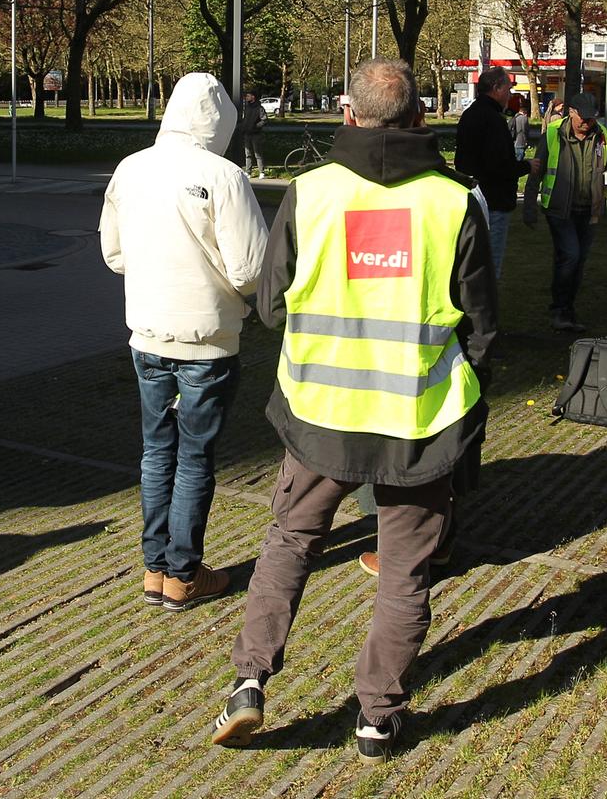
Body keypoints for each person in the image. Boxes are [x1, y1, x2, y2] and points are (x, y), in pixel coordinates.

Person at [210, 58, 495, 762]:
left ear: (348, 114)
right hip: (419, 419)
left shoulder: (309, 192)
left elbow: (271, 306)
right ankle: (376, 717)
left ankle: (249, 681)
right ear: (421, 117)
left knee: (290, 543)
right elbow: (483, 326)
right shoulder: (455, 200)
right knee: (403, 572)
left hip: (319, 412)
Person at [100, 72, 268, 611]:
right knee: (194, 458)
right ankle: (184, 573)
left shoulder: (130, 168)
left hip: (147, 332)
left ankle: (156, 568)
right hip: (208, 339)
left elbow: (114, 254)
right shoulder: (224, 175)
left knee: (156, 452)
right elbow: (250, 269)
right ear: (221, 123)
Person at [525, 92, 607, 332]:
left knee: (576, 260)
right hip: (559, 209)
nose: (587, 123)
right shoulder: (553, 133)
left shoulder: (602, 135)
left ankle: (567, 309)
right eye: (583, 118)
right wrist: (529, 207)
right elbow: (536, 171)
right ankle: (560, 310)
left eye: (591, 118)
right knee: (571, 256)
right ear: (571, 112)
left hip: (589, 210)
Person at [453, 67, 534, 277]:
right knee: (489, 264)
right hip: (493, 199)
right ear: (496, 88)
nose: (510, 94)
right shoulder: (492, 119)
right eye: (508, 88)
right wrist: (526, 166)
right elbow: (499, 164)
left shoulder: (471, 114)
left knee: (472, 258)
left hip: (473, 195)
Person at [237, 91, 267, 176]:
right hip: (247, 133)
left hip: (256, 134)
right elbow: (245, 119)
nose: (246, 98)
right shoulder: (247, 107)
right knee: (248, 154)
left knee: (258, 153)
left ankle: (261, 172)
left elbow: (264, 120)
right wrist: (243, 127)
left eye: (248, 96)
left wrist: (256, 126)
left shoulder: (259, 108)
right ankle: (248, 172)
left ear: (253, 97)